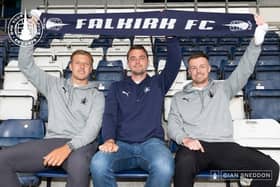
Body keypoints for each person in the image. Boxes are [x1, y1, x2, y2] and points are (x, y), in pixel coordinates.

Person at [167, 15, 279, 187]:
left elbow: (244, 70)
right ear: (189, 72)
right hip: (195, 147)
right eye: (194, 68)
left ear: (209, 68)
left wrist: (255, 43)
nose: (198, 71)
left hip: (224, 147)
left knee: (269, 168)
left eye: (202, 66)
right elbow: (173, 125)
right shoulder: (179, 97)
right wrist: (185, 139)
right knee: (183, 162)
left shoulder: (223, 88)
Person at [0, 17, 105, 186]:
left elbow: (92, 129)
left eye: (87, 64)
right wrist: (29, 34)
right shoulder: (53, 84)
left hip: (82, 145)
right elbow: (25, 65)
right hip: (52, 142)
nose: (82, 67)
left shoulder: (97, 95)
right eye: (78, 63)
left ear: (91, 69)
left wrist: (68, 147)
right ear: (70, 66)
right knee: (2, 158)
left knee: (79, 165)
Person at [90, 37, 181, 187]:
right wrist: (109, 140)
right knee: (98, 164)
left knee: (164, 167)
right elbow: (110, 116)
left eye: (141, 58)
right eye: (133, 58)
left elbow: (174, 62)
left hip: (152, 145)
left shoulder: (159, 83)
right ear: (128, 63)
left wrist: (171, 38)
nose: (137, 61)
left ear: (148, 62)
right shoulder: (116, 87)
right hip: (121, 145)